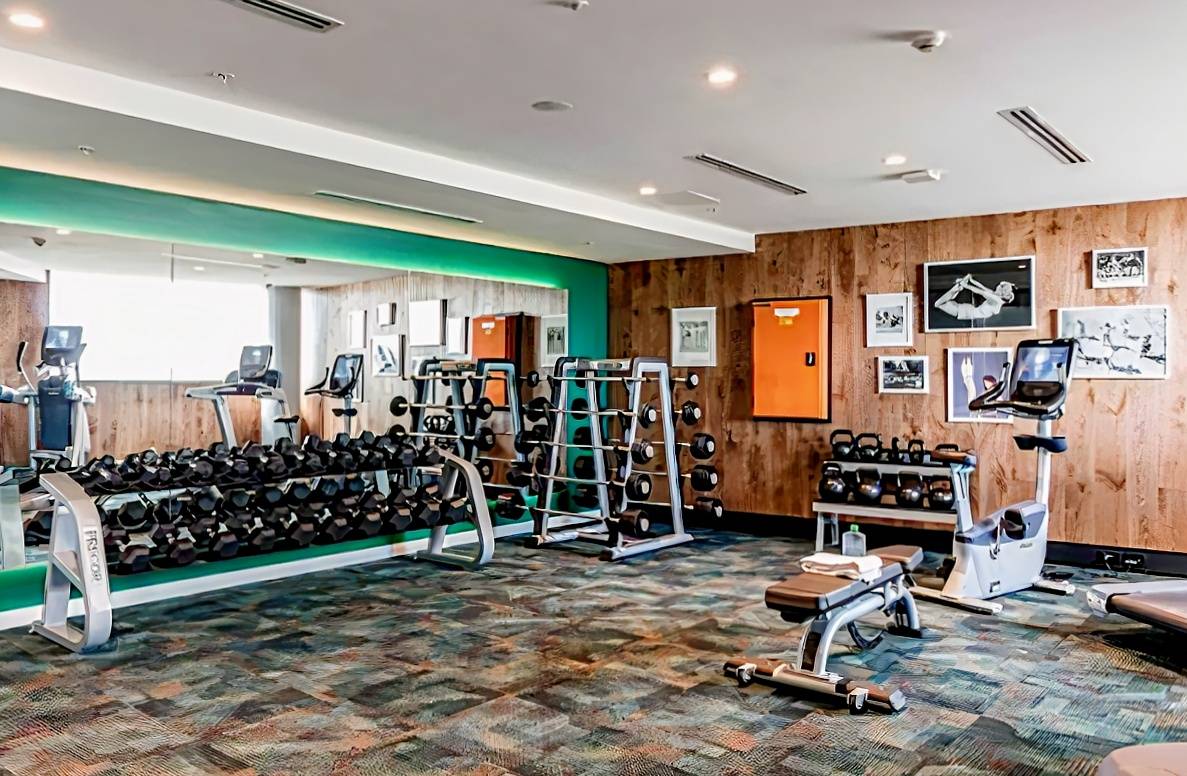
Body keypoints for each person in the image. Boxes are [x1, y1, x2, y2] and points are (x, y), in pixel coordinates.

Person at [934, 274, 1016, 322]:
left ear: (1004, 295)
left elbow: (980, 292)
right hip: (968, 311)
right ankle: (957, 289)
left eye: (1002, 288)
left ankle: (957, 289)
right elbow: (982, 288)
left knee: (940, 303)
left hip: (967, 312)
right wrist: (972, 280)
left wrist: (966, 285)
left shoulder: (996, 301)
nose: (999, 288)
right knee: (938, 304)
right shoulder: (996, 297)